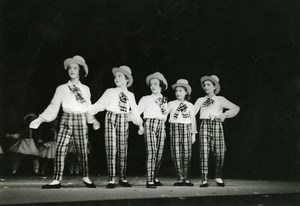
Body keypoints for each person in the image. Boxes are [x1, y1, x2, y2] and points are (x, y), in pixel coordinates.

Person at [29, 55, 100, 189]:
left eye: (75, 68)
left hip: (80, 120)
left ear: (81, 71)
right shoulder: (62, 88)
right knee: (60, 149)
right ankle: (56, 180)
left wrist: (93, 120)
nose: (72, 70)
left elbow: (87, 107)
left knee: (82, 150)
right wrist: (40, 119)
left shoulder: (85, 89)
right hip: (66, 119)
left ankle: (86, 177)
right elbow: (53, 106)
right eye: (70, 68)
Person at [88, 65, 143, 189]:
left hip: (123, 119)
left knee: (123, 148)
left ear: (127, 79)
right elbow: (100, 105)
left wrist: (140, 124)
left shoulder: (130, 95)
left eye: (120, 76)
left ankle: (122, 178)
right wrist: (89, 112)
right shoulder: (110, 91)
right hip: (111, 118)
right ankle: (111, 179)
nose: (116, 78)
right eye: (115, 76)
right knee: (111, 147)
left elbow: (134, 111)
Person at [194, 75, 240, 187]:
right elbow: (192, 113)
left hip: (217, 125)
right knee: (204, 152)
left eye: (208, 85)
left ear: (215, 86)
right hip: (204, 125)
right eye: (204, 85)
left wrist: (224, 115)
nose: (206, 87)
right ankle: (204, 178)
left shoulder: (220, 99)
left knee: (219, 152)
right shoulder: (200, 100)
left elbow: (236, 108)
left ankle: (218, 176)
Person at [138, 72, 168, 188]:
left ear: (161, 85)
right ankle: (149, 180)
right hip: (150, 124)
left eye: (156, 84)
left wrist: (163, 128)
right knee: (152, 151)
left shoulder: (163, 100)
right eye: (151, 84)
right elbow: (137, 113)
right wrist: (140, 125)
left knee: (159, 153)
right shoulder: (146, 99)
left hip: (161, 125)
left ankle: (154, 176)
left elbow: (164, 116)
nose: (153, 86)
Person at [168, 79, 197, 186]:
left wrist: (193, 134)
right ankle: (180, 177)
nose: (178, 93)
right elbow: (163, 114)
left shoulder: (190, 105)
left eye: (180, 90)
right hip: (174, 128)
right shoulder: (171, 104)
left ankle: (186, 177)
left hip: (187, 128)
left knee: (187, 153)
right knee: (176, 153)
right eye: (176, 91)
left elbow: (193, 120)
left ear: (186, 92)